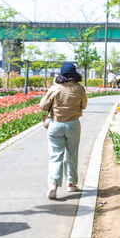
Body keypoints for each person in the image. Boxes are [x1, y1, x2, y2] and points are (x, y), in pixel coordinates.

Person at [40, 63, 87, 199]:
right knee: (72, 154)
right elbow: (84, 105)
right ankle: (71, 184)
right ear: (75, 74)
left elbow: (43, 106)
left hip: (55, 124)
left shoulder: (55, 88)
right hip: (73, 124)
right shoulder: (79, 89)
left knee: (55, 155)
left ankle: (53, 183)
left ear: (61, 74)